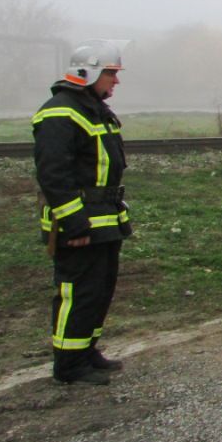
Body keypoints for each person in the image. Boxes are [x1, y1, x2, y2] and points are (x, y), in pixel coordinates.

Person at [33, 39, 132, 386]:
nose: (115, 82)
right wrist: (74, 224)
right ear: (88, 71)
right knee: (77, 291)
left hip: (103, 218)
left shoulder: (92, 108)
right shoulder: (61, 112)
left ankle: (87, 352)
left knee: (99, 289)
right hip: (79, 223)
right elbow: (54, 176)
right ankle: (69, 365)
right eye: (111, 74)